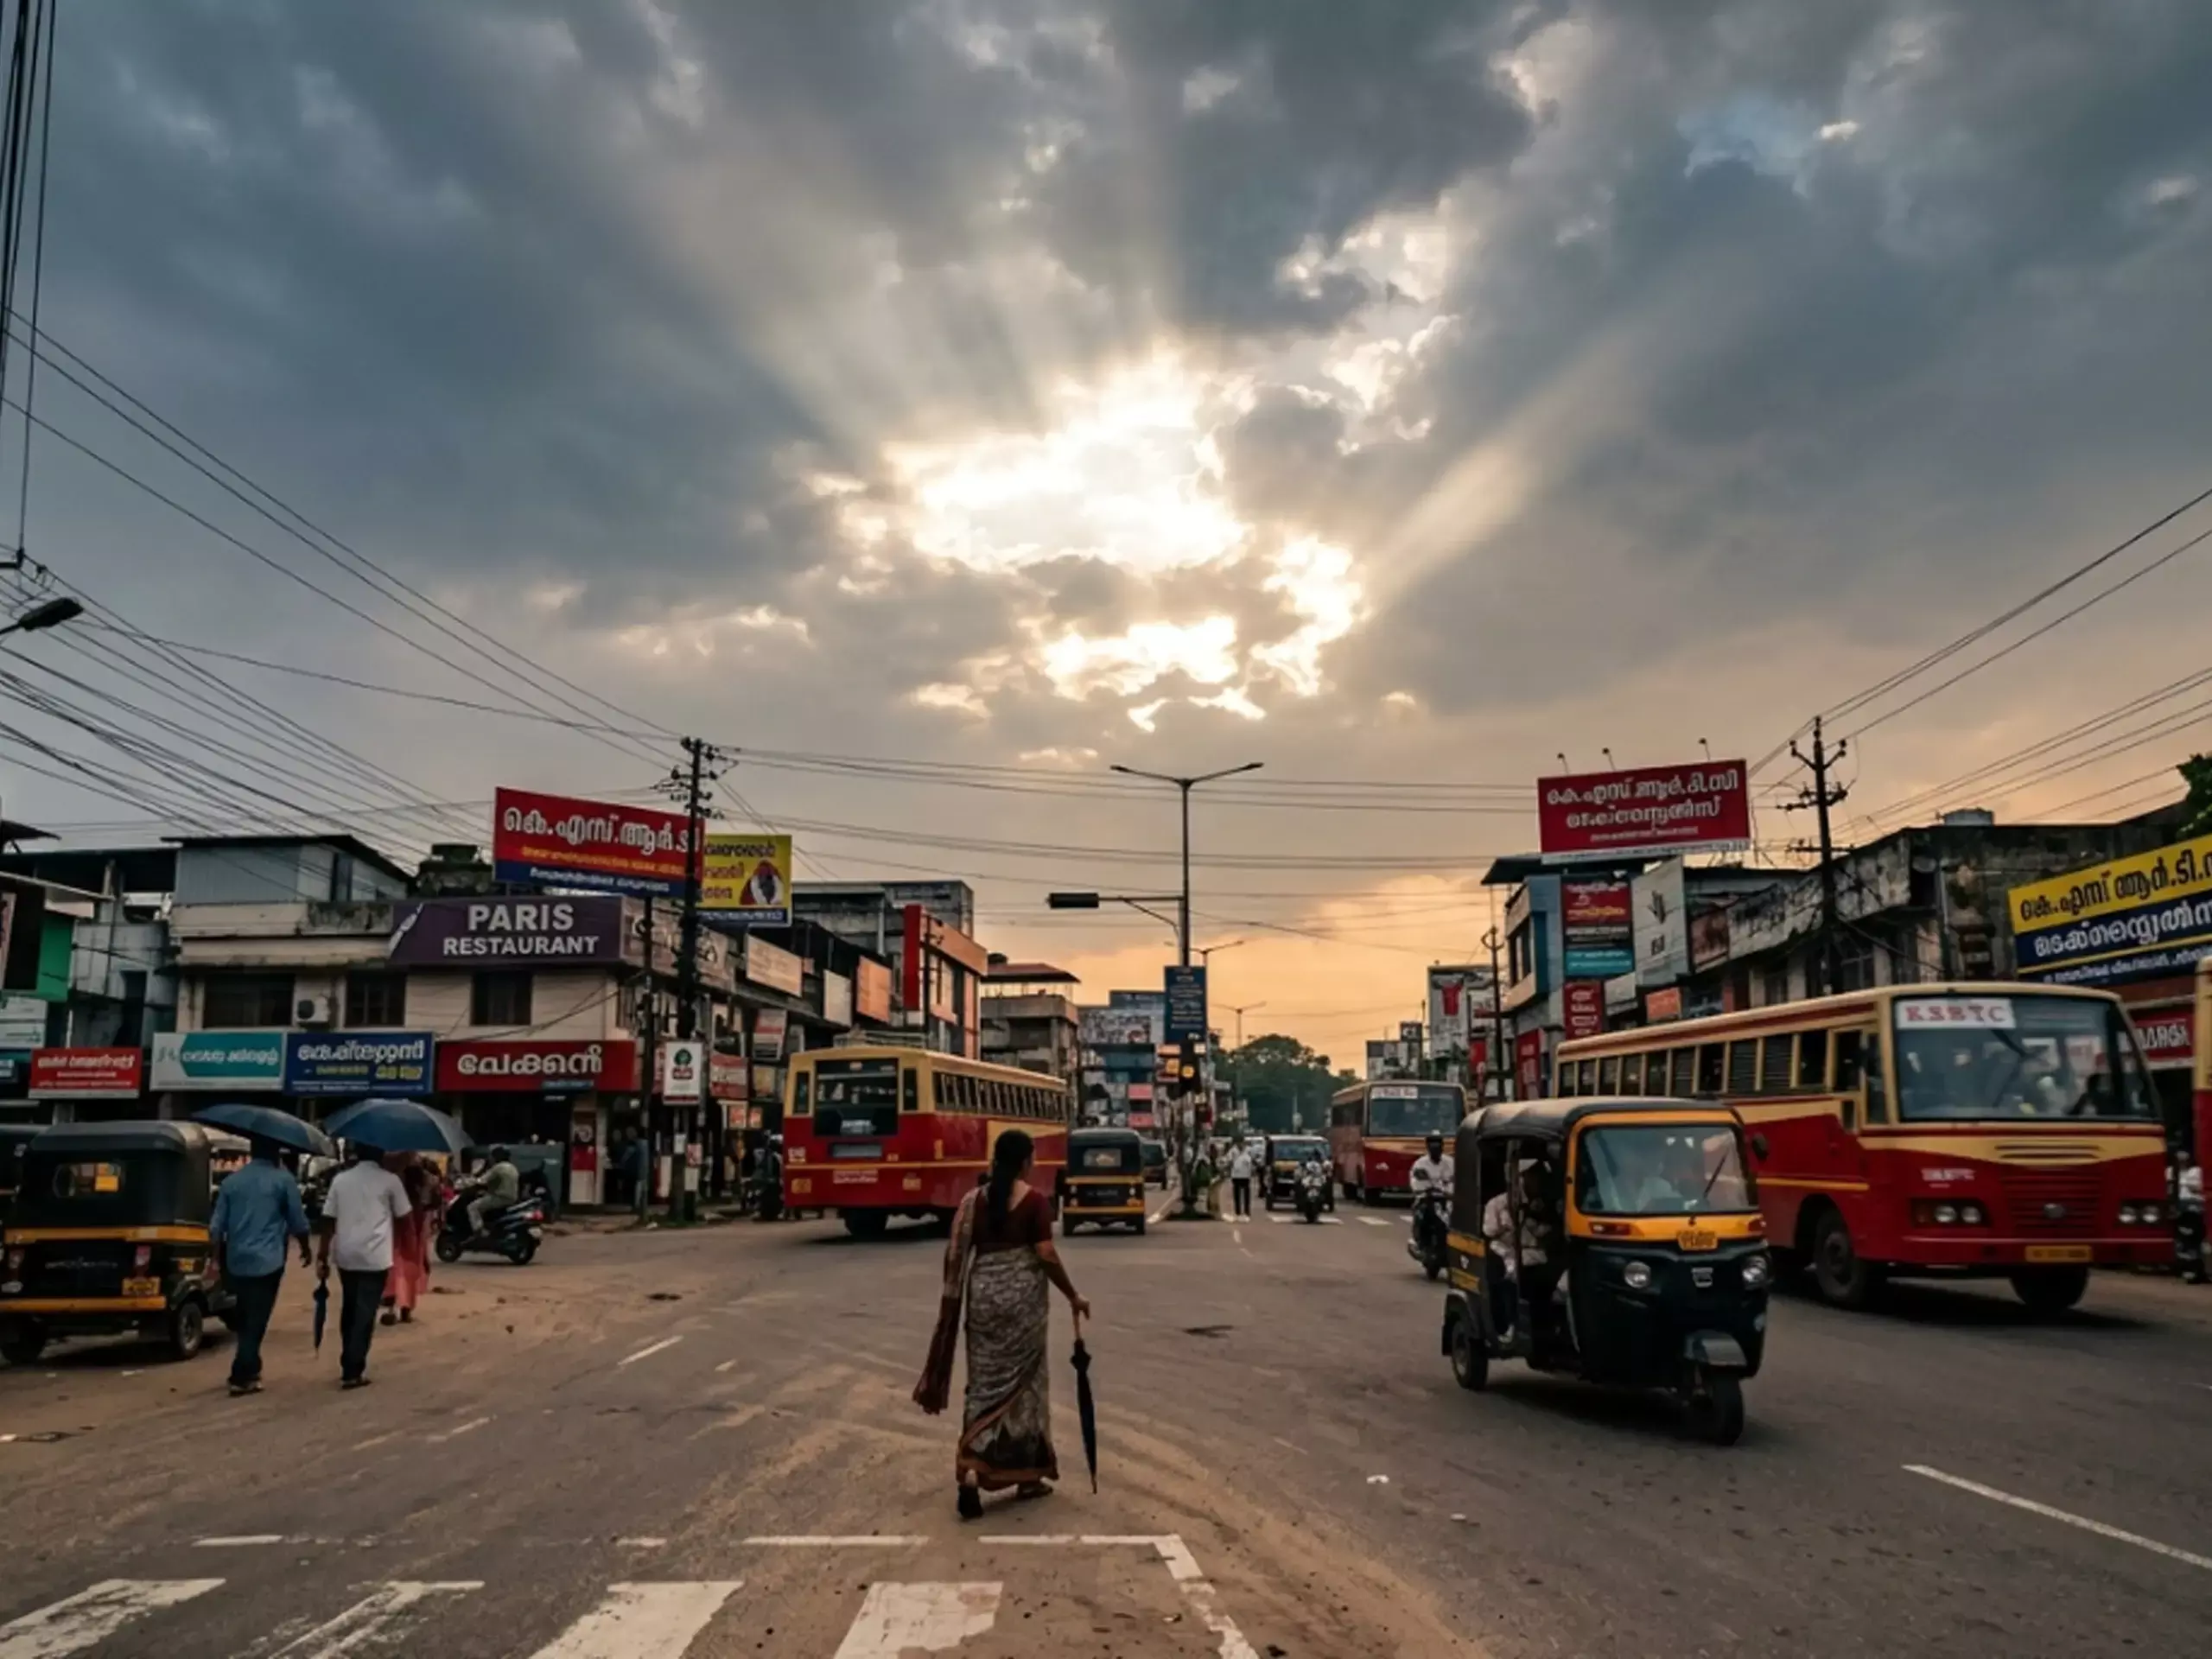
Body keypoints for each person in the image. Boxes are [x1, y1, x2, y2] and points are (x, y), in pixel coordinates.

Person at [912, 1128, 1090, 1520]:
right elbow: (1045, 1253)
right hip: (1022, 1308)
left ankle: (971, 1470)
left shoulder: (973, 1202)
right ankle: (1027, 1477)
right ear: (1026, 1161)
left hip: (983, 1303)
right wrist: (1073, 1295)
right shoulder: (1035, 1203)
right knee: (1026, 1389)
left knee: (983, 1386)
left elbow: (958, 1255)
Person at [207, 1141, 311, 1397]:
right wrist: (307, 1248)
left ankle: (251, 1368)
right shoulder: (282, 1180)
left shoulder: (232, 1183)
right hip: (268, 1260)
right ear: (276, 1154)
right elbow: (298, 1220)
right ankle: (241, 1374)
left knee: (244, 1314)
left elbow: (215, 1228)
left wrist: (215, 1259)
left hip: (237, 1260)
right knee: (257, 1318)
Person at [315, 1144, 413, 1389]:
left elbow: (328, 1219)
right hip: (375, 1256)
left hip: (346, 1254)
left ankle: (348, 1357)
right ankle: (353, 1367)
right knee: (365, 1311)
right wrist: (406, 1245)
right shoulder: (390, 1181)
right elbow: (405, 1217)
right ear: (381, 1154)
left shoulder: (340, 1180)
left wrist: (322, 1254)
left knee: (350, 1306)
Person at [380, 1155, 441, 1326]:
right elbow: (435, 1202)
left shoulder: (393, 1179)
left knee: (393, 1268)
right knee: (411, 1269)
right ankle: (406, 1311)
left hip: (395, 1229)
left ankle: (391, 1307)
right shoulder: (428, 1180)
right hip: (416, 1228)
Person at [467, 1145, 521, 1241]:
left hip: (500, 1198)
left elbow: (482, 1181)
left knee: (472, 1207)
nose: (490, 1158)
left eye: (491, 1156)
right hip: (512, 1198)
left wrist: (471, 1181)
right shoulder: (513, 1167)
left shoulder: (498, 1168)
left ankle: (479, 1231)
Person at [1409, 1133, 1454, 1198]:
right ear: (1428, 1148)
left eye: (1437, 1147)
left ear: (1442, 1148)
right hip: (1427, 1197)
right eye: (1433, 1148)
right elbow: (1417, 1184)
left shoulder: (1451, 1162)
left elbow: (1455, 1181)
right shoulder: (1420, 1163)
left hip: (1447, 1197)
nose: (1435, 1150)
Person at [1227, 1139, 1255, 1218]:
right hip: (1236, 1175)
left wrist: (1252, 1169)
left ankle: (1247, 1210)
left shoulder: (1249, 1150)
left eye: (1242, 1143)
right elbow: (1229, 1161)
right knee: (1237, 1194)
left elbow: (1253, 1160)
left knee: (1246, 1194)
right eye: (1239, 1142)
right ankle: (1238, 1211)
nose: (1240, 1144)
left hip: (1246, 1174)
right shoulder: (1233, 1151)